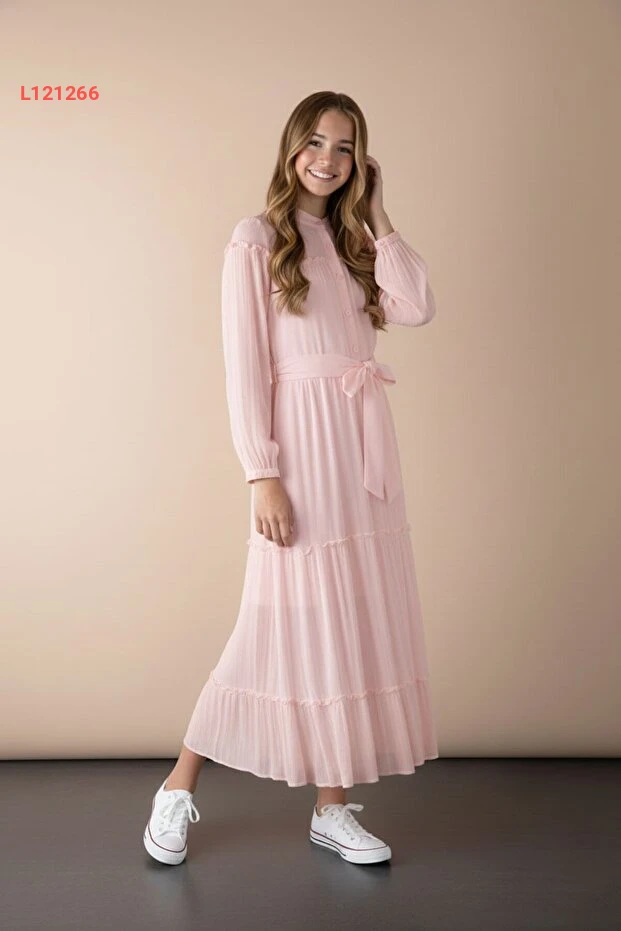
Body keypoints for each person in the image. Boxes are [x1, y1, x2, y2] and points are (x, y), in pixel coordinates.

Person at [143, 90, 439, 867]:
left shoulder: (353, 243)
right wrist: (262, 471)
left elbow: (417, 305)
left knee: (349, 619)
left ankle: (331, 807)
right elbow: (244, 366)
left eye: (344, 148)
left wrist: (377, 215)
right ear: (289, 147)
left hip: (362, 453)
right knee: (272, 621)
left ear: (359, 162)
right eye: (315, 142)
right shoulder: (256, 238)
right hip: (300, 452)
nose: (327, 159)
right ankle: (176, 786)